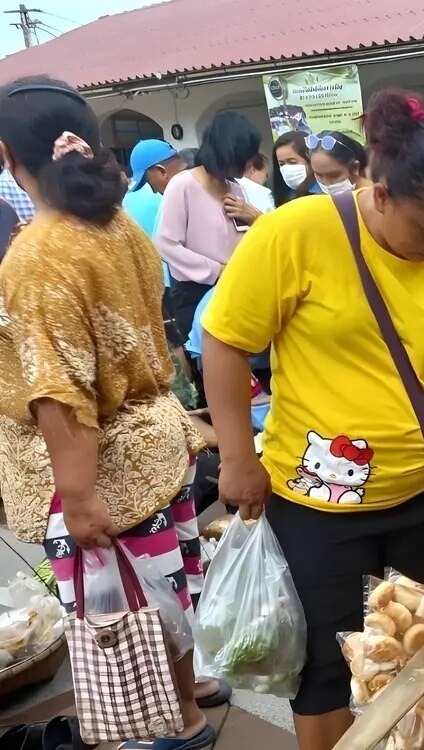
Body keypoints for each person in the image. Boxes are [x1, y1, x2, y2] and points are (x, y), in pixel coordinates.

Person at [201, 88, 424, 750]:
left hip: (421, 497)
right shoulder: (295, 234)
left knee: (416, 649)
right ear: (379, 193)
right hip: (316, 507)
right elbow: (223, 341)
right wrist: (239, 460)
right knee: (327, 664)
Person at [0, 76, 218, 749]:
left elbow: (58, 392)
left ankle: (173, 719)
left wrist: (78, 496)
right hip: (155, 437)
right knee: (167, 583)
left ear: (8, 158)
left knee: (125, 604)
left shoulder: (40, 255)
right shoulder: (115, 223)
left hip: (98, 463)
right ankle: (194, 691)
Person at [155, 111, 263, 351]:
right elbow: (165, 244)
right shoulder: (183, 185)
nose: (249, 164)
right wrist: (217, 270)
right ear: (228, 151)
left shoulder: (236, 190)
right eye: (245, 156)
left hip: (234, 288)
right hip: (196, 293)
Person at [122, 138, 187, 287]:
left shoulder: (178, 198)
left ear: (161, 171)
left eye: (149, 182)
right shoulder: (206, 181)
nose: (152, 190)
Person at [307, 130, 371, 195]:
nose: (327, 184)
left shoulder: (376, 199)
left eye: (334, 176)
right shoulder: (317, 201)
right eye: (319, 175)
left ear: (354, 168)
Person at [273, 130, 319, 206]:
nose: (286, 168)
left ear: (310, 161)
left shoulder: (326, 192)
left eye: (292, 162)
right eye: (281, 164)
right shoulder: (283, 193)